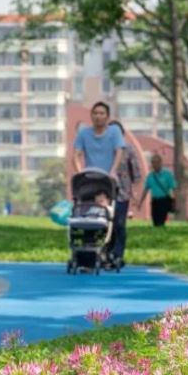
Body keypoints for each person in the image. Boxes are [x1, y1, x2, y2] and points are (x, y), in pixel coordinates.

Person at [73, 102, 126, 265]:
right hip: (89, 181)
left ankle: (113, 253)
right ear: (91, 116)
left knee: (114, 220)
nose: (98, 116)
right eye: (95, 113)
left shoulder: (114, 132)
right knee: (88, 217)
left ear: (107, 116)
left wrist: (113, 171)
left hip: (109, 181)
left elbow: (119, 152)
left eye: (102, 113)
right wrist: (80, 171)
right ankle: (86, 251)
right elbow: (76, 154)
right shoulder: (84, 133)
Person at [108, 120, 138, 266]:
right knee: (107, 224)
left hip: (123, 192)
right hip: (105, 193)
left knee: (119, 224)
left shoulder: (129, 148)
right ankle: (106, 252)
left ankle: (118, 254)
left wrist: (134, 192)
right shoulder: (104, 149)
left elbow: (136, 172)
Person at [138, 153, 177, 227]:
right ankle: (157, 231)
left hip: (164, 200)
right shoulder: (150, 176)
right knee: (155, 219)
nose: (155, 164)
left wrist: (174, 201)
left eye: (156, 162)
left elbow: (174, 188)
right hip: (154, 201)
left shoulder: (167, 174)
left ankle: (161, 232)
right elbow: (145, 190)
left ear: (161, 163)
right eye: (153, 162)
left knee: (161, 220)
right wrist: (140, 202)